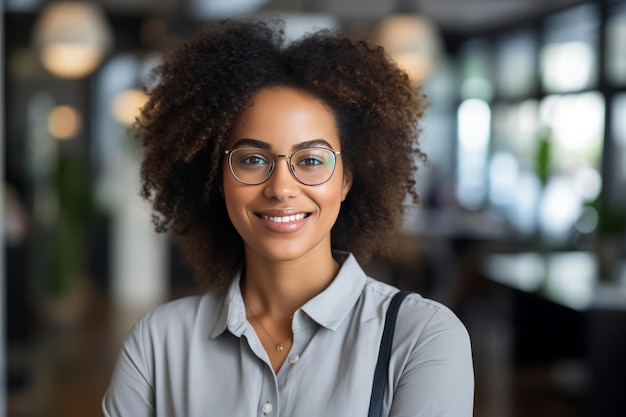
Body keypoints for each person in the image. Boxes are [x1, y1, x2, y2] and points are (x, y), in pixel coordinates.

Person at [102, 18, 474, 417]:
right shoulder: (158, 343)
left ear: (347, 179)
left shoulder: (421, 337)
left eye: (312, 160)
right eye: (252, 159)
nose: (281, 188)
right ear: (216, 179)